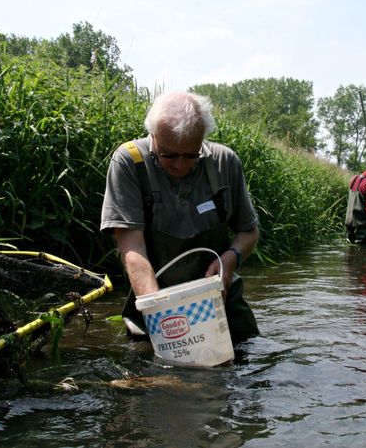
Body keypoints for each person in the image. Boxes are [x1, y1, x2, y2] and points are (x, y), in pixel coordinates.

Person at [100, 91, 259, 343]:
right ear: (153, 136)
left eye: (191, 155)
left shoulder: (224, 162)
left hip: (221, 307)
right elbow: (132, 247)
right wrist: (162, 318)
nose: (180, 165)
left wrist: (231, 259)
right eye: (169, 155)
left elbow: (248, 231)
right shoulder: (129, 162)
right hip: (154, 303)